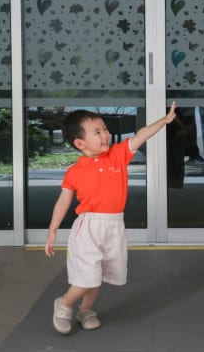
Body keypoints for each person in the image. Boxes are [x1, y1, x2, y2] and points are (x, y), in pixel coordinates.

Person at [44, 102, 177, 334]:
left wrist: (164, 121)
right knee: (88, 276)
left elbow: (141, 135)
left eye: (105, 129)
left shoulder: (117, 155)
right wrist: (53, 229)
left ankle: (86, 310)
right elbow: (63, 201)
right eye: (98, 132)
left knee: (101, 274)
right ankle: (65, 304)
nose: (106, 135)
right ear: (80, 143)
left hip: (114, 225)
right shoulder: (75, 172)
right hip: (88, 227)